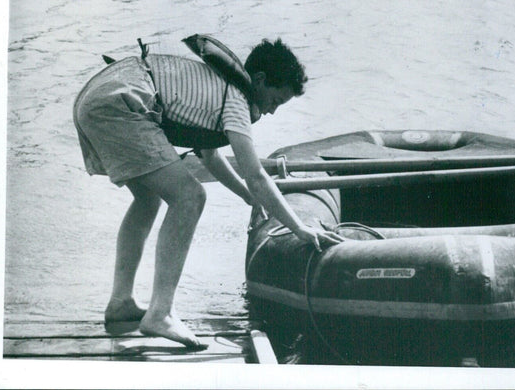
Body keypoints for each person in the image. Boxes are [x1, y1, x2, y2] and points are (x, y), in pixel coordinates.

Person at [73, 36, 344, 348]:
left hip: (99, 97)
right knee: (190, 196)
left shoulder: (218, 88)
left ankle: (121, 303)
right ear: (259, 80)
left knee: (148, 197)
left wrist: (246, 196)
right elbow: (255, 174)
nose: (271, 112)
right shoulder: (237, 101)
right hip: (122, 102)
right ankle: (160, 313)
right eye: (274, 101)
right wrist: (298, 227)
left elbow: (211, 155)